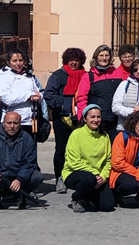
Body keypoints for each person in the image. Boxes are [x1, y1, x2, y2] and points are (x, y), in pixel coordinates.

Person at [0, 111, 44, 210]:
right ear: (4, 123)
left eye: (15, 123)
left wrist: (19, 179)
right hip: (0, 176)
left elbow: (30, 163)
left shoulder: (27, 139)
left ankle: (19, 195)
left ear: (20, 124)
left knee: (37, 177)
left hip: (18, 175)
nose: (12, 126)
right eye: (9, 123)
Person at [44, 47, 87, 194]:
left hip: (81, 119)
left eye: (77, 60)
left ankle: (77, 177)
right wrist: (64, 103)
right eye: (71, 60)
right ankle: (60, 178)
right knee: (61, 149)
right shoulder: (57, 76)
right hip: (62, 118)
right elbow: (48, 95)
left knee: (80, 150)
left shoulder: (86, 76)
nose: (74, 63)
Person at [62, 104, 115, 213]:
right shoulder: (76, 135)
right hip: (75, 173)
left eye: (98, 117)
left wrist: (103, 176)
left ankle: (86, 197)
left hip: (98, 177)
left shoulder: (104, 136)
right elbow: (74, 162)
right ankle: (76, 198)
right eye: (92, 117)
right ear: (85, 119)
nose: (96, 120)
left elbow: (108, 160)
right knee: (89, 179)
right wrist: (95, 174)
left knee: (108, 205)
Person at [0, 50, 47, 143]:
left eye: (20, 60)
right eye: (14, 61)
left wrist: (38, 97)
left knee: (29, 152)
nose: (18, 63)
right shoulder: (4, 76)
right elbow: (7, 99)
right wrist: (29, 95)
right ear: (8, 62)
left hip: (30, 121)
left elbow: (38, 93)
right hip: (13, 123)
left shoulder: (28, 76)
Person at [75, 45, 127, 134]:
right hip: (97, 121)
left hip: (116, 120)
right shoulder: (88, 76)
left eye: (106, 55)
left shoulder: (119, 73)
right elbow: (82, 98)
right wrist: (82, 118)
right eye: (101, 55)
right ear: (96, 57)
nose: (104, 58)